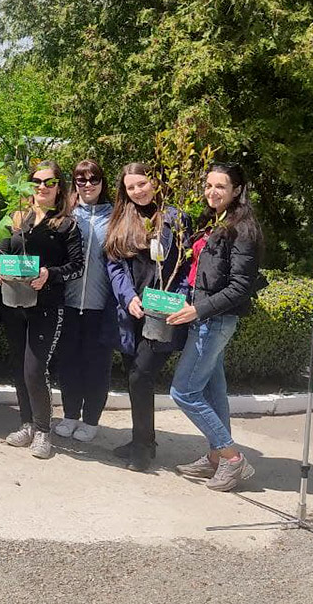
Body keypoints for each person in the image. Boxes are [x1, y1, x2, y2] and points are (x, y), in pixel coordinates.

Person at [166, 162, 264, 491]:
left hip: (214, 319)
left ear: (237, 190)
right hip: (204, 315)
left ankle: (232, 457)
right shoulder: (214, 221)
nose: (212, 191)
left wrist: (197, 310)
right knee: (212, 391)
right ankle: (215, 457)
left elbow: (240, 287)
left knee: (184, 392)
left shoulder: (243, 229)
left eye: (220, 186)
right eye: (208, 185)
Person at [0, 161, 83, 458]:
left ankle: (44, 430)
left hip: (46, 305)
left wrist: (49, 274)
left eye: (50, 182)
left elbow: (77, 266)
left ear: (59, 188)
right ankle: (27, 423)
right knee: (20, 366)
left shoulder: (66, 225)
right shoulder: (18, 216)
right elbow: (1, 250)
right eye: (37, 182)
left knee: (34, 369)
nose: (42, 187)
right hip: (14, 302)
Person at [105, 162, 190, 471]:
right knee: (134, 375)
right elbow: (115, 266)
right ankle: (143, 439)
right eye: (131, 187)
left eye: (142, 183)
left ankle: (143, 447)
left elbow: (185, 265)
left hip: (162, 312)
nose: (137, 191)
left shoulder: (175, 219)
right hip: (133, 312)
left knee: (141, 374)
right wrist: (128, 297)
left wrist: (178, 298)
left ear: (154, 182)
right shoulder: (122, 220)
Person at [53, 159, 115, 444]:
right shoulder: (66, 214)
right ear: (74, 182)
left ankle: (91, 420)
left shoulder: (115, 216)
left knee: (97, 366)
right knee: (68, 363)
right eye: (81, 180)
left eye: (94, 179)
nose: (88, 185)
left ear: (102, 182)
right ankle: (69, 415)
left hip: (101, 306)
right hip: (68, 302)